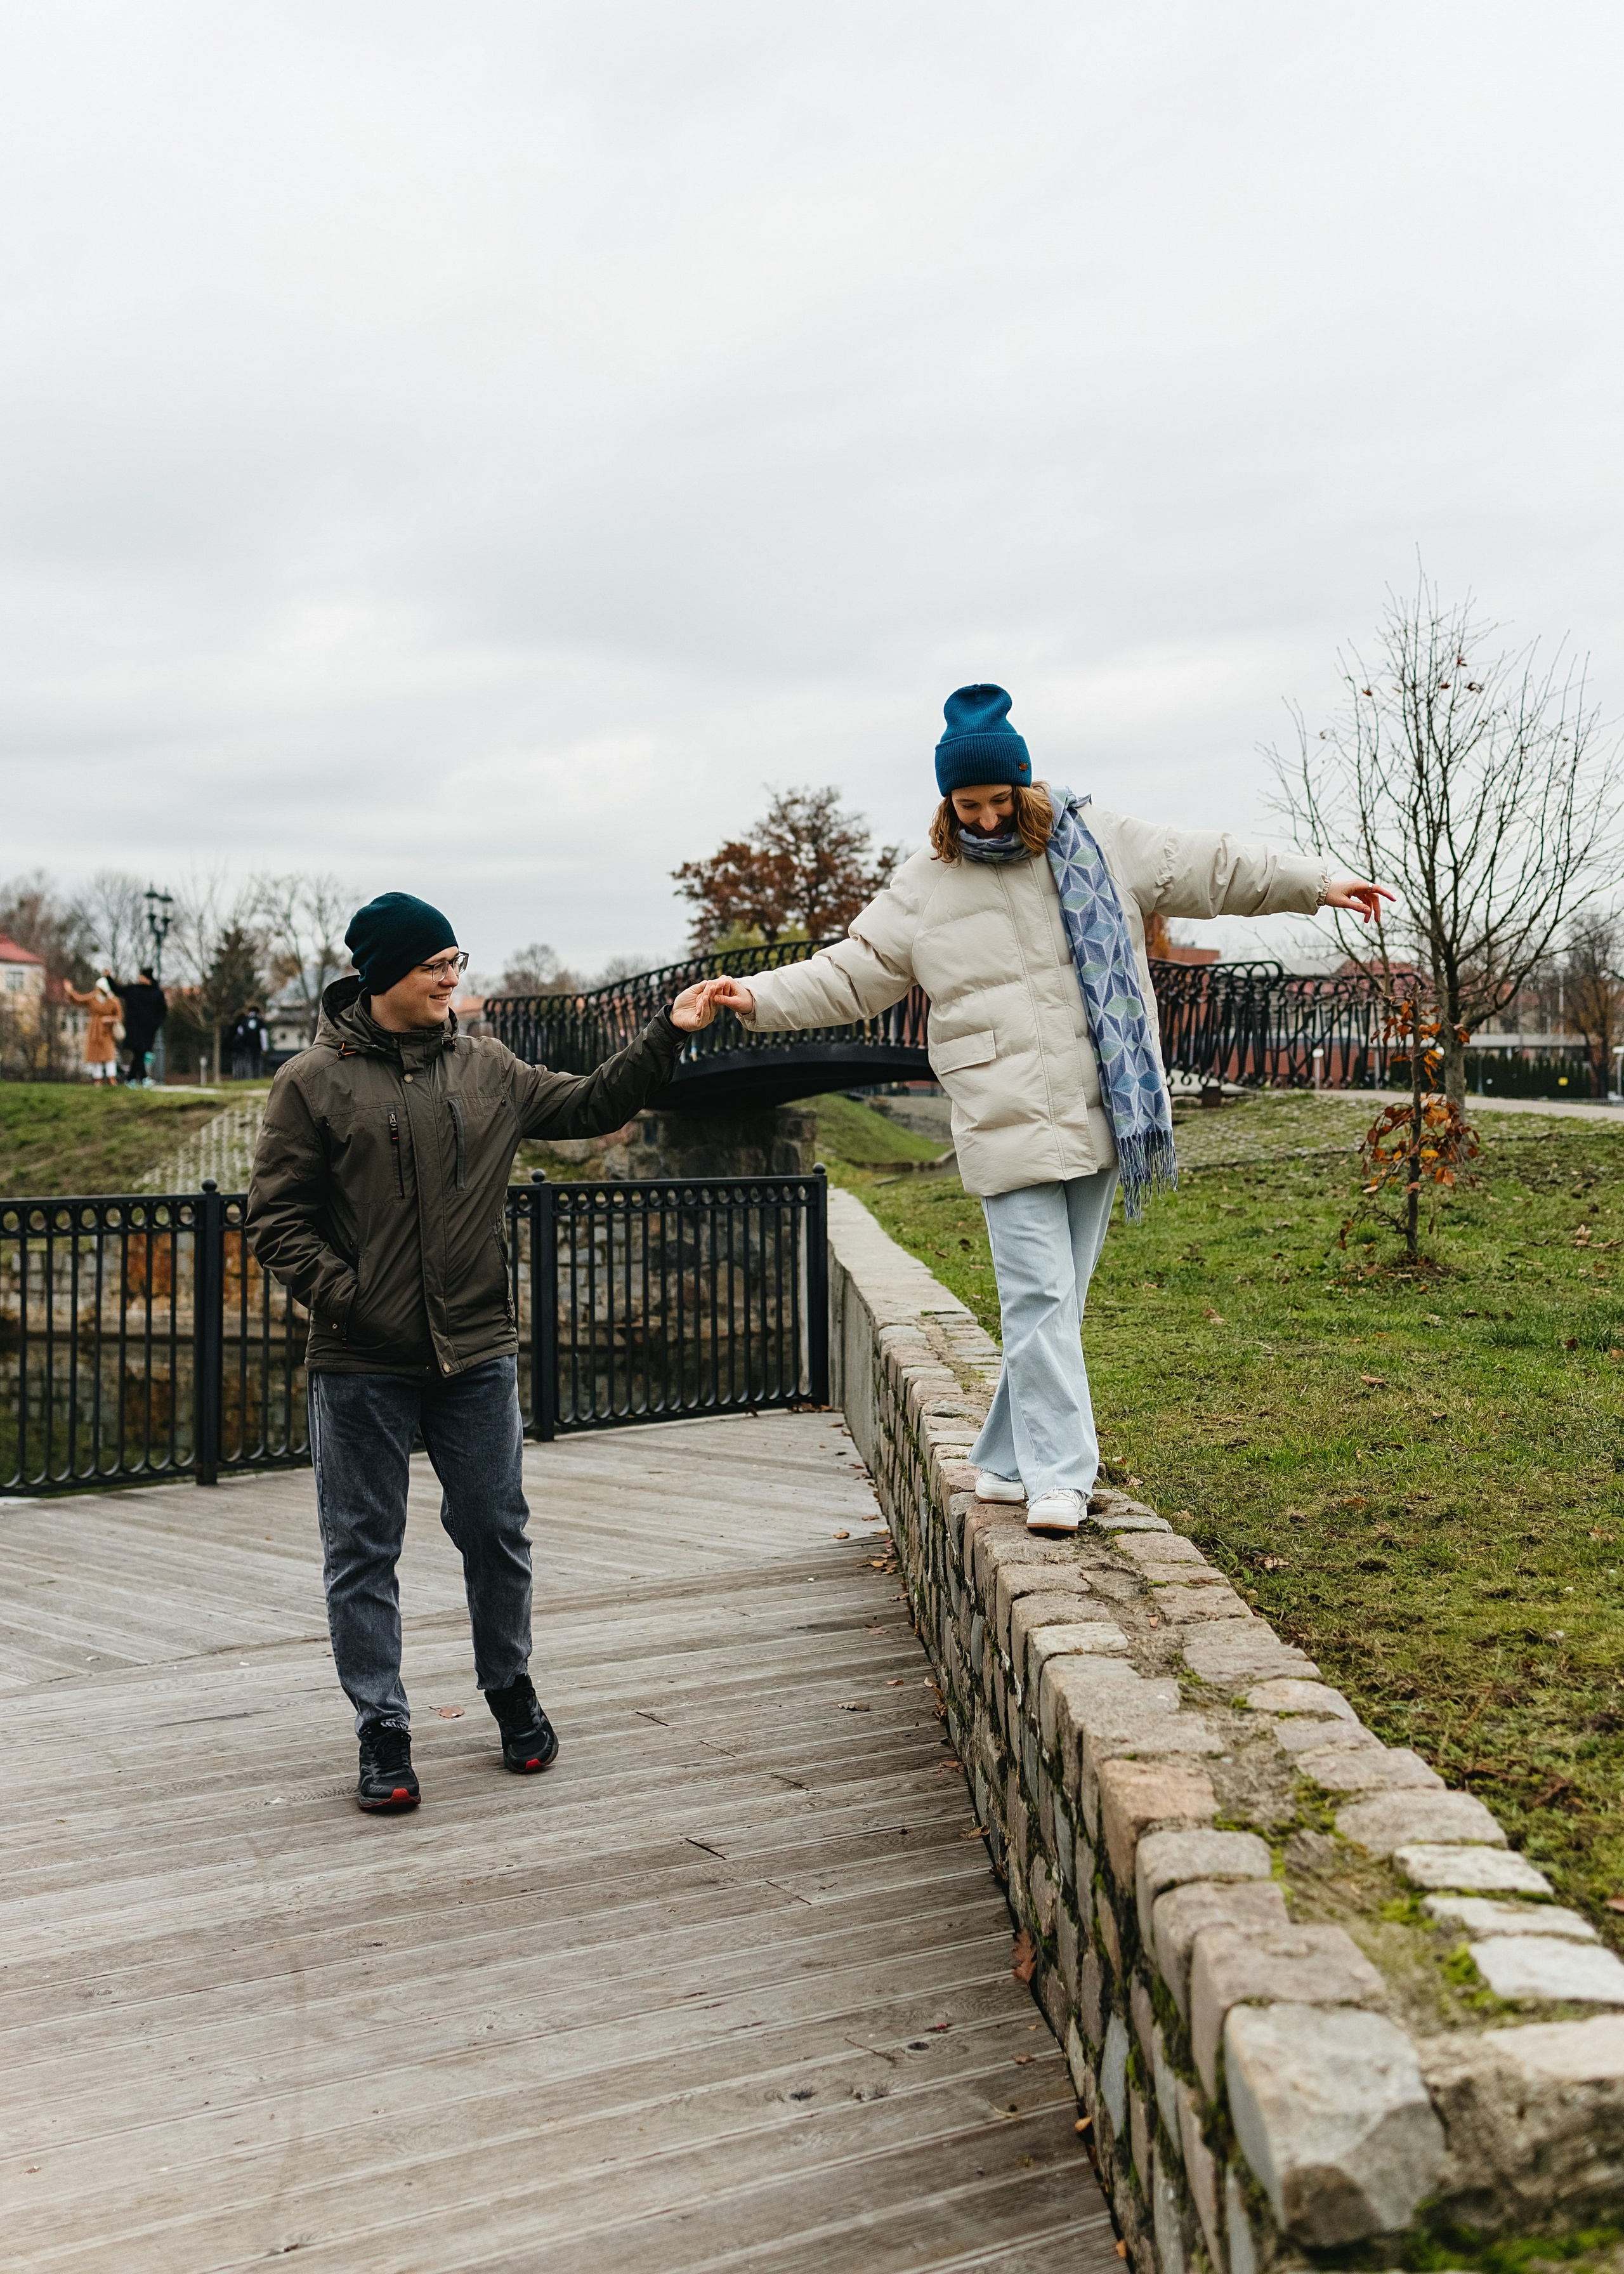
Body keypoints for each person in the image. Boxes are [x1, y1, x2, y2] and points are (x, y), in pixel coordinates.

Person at [707, 684, 1391, 1536]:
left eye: (1000, 801)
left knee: (1057, 1304)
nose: (987, 820)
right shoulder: (925, 883)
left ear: (1026, 786)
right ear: (946, 803)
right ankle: (1061, 1478)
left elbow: (1211, 865)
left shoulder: (1100, 841)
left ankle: (1000, 1462)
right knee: (1036, 1297)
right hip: (1001, 1109)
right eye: (969, 805)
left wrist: (1317, 882)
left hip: (1104, 1103)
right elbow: (855, 971)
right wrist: (754, 995)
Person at [247, 891, 723, 1813]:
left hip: (475, 1352)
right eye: (436, 965)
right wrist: (353, 1303)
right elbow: (276, 1220)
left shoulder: (488, 1068)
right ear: (386, 972)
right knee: (361, 1549)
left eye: (457, 963)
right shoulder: (312, 1081)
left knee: (496, 1532)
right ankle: (382, 1728)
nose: (452, 979)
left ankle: (510, 1688)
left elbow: (593, 1104)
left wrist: (669, 1031)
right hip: (361, 1362)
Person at [63, 973, 123, 1082]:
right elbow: (79, 1000)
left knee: (109, 1055)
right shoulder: (93, 998)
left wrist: (110, 1019)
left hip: (107, 1031)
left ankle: (112, 1078)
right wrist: (70, 991)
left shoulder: (113, 1001)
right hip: (95, 1030)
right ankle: (98, 1079)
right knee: (95, 1055)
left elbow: (119, 1017)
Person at [115, 967, 167, 1085]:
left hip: (148, 1029)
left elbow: (162, 1011)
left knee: (140, 1053)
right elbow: (117, 990)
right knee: (140, 1052)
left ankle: (132, 1079)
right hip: (135, 1028)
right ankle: (141, 1079)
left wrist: (155, 1023)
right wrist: (108, 978)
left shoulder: (156, 994)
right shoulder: (134, 990)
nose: (139, 978)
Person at [226, 1002, 268, 1080]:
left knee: (248, 1063)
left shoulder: (245, 1021)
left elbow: (240, 1033)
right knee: (258, 1063)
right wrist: (264, 1047)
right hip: (257, 1046)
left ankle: (249, 1078)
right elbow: (263, 1035)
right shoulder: (260, 1021)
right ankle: (258, 1078)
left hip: (247, 1046)